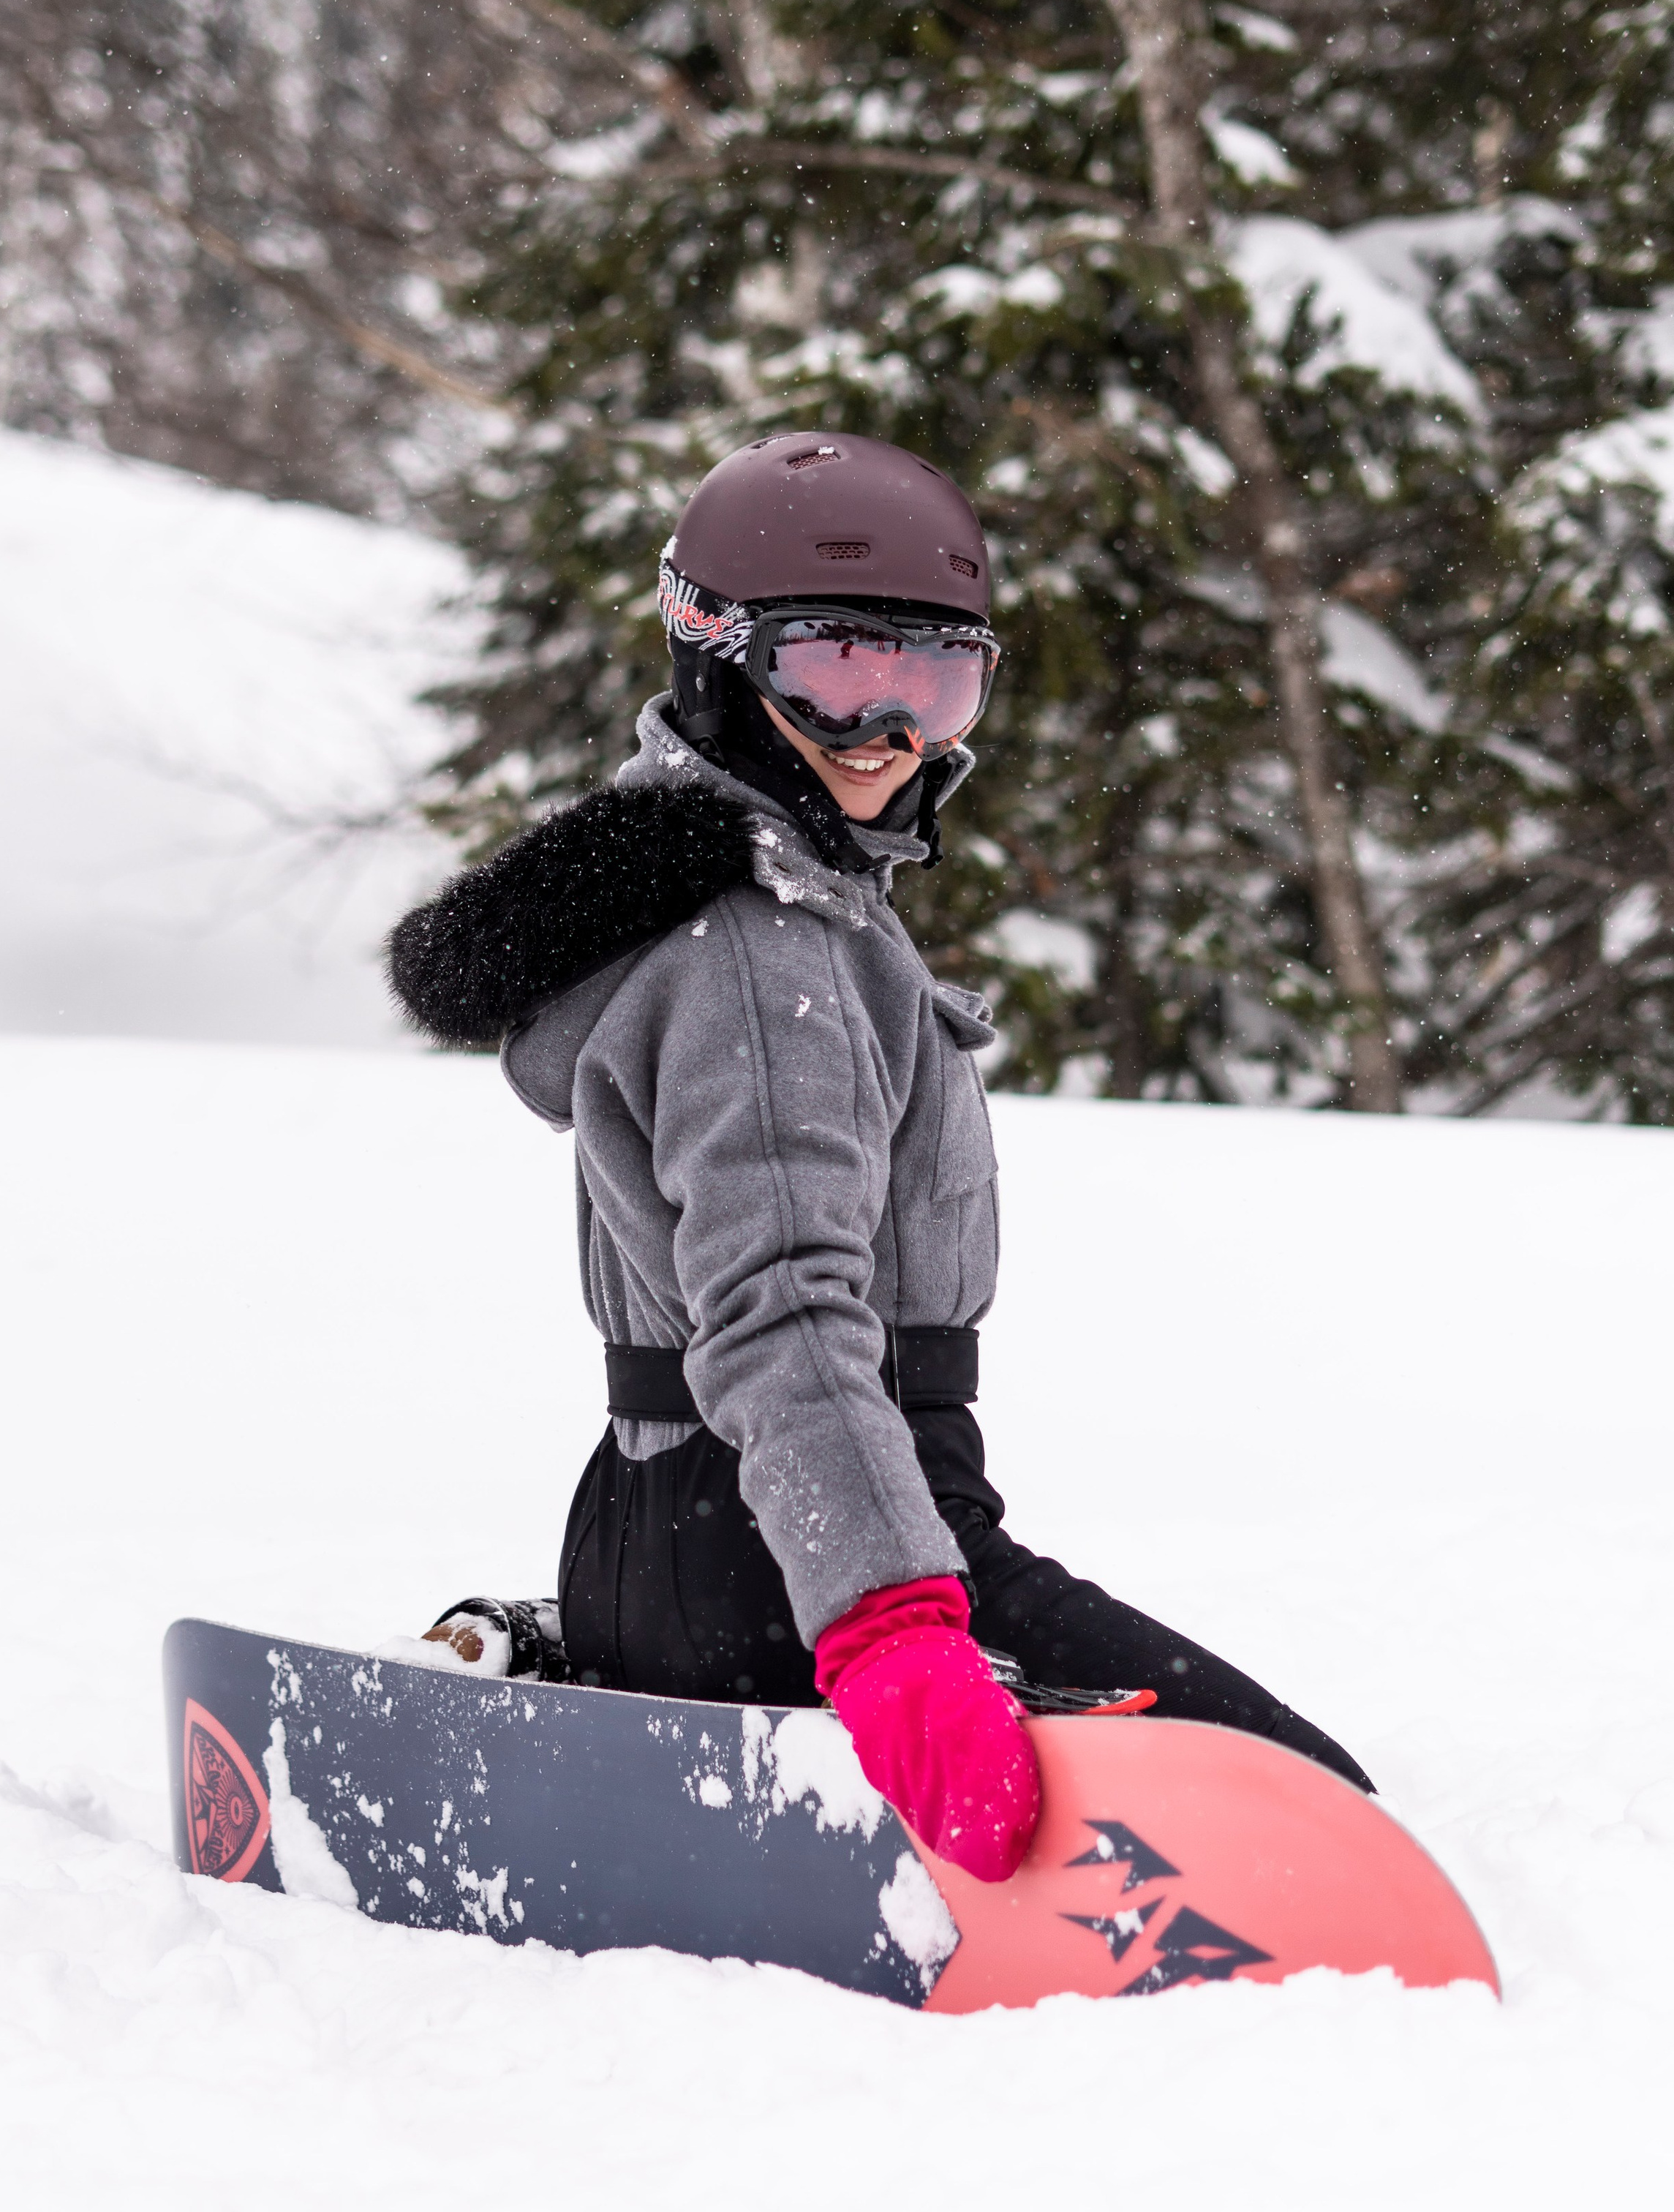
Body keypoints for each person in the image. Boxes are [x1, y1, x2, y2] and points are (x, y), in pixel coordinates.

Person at [388, 430, 1371, 1884]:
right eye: (843, 674)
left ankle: (588, 1653)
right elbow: (782, 1313)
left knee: (1279, 1788)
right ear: (719, 657)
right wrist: (893, 1631)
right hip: (793, 1556)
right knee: (1300, 1802)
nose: (895, 734)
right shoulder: (755, 954)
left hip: (703, 1528)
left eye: (938, 683)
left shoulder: (783, 903)